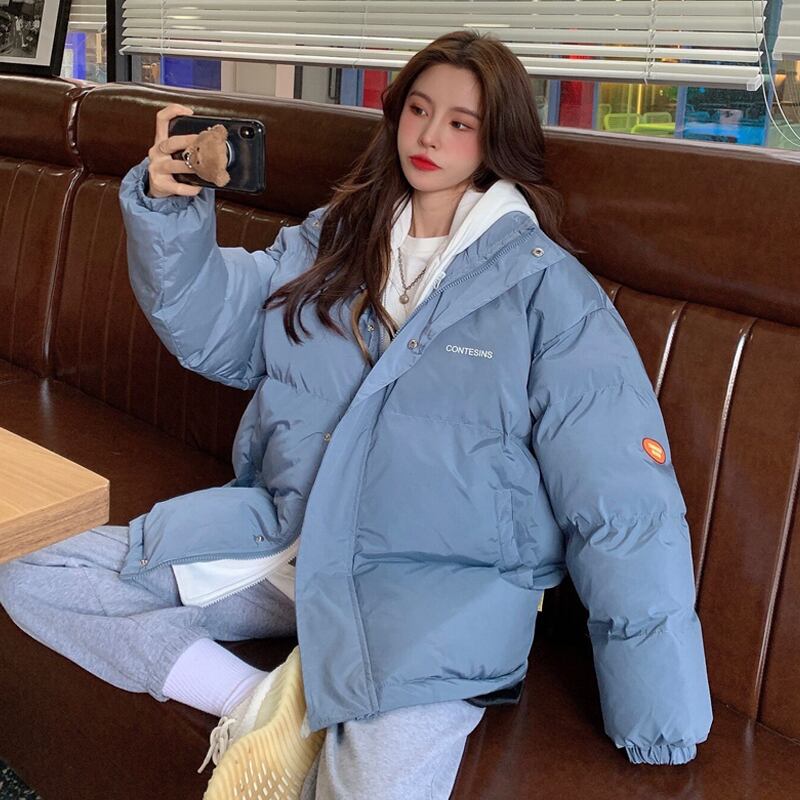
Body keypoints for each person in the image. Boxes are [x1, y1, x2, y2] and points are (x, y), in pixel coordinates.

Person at [0, 29, 713, 799]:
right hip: (290, 542)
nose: (430, 137)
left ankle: (300, 706)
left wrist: (659, 713)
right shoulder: (332, 241)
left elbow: (623, 502)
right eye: (419, 110)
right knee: (32, 568)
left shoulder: (546, 293)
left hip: (436, 595)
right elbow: (217, 330)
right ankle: (260, 705)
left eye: (461, 122)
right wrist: (172, 214)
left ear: (496, 139)